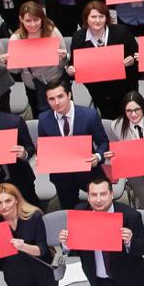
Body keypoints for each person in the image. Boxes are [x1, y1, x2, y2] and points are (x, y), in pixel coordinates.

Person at [36, 79, 110, 210]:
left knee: (100, 207)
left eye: (60, 96)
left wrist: (98, 157)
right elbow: (43, 145)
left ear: (69, 95)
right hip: (62, 175)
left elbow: (103, 142)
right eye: (51, 99)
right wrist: (41, 156)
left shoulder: (89, 116)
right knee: (69, 210)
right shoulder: (43, 119)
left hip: (89, 171)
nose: (57, 102)